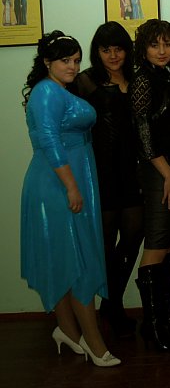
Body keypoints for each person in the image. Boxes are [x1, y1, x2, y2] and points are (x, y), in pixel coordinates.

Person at [20, 30, 120, 367]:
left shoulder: (59, 89)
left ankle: (67, 330)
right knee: (78, 262)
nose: (73, 66)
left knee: (65, 259)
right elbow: (49, 141)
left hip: (70, 178)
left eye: (76, 60)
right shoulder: (46, 91)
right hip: (57, 184)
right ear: (47, 62)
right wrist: (72, 187)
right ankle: (93, 341)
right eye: (65, 60)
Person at [71, 21, 143, 338]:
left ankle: (111, 305)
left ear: (128, 50)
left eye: (119, 49)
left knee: (132, 239)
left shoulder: (138, 80)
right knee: (103, 245)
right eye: (106, 50)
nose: (113, 56)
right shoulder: (85, 81)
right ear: (96, 52)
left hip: (133, 171)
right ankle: (109, 309)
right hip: (99, 173)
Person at [130, 19, 170, 351]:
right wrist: (168, 175)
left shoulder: (166, 75)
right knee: (156, 243)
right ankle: (152, 326)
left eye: (167, 44)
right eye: (155, 44)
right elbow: (143, 134)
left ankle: (166, 318)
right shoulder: (142, 79)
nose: (162, 50)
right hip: (158, 172)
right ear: (144, 49)